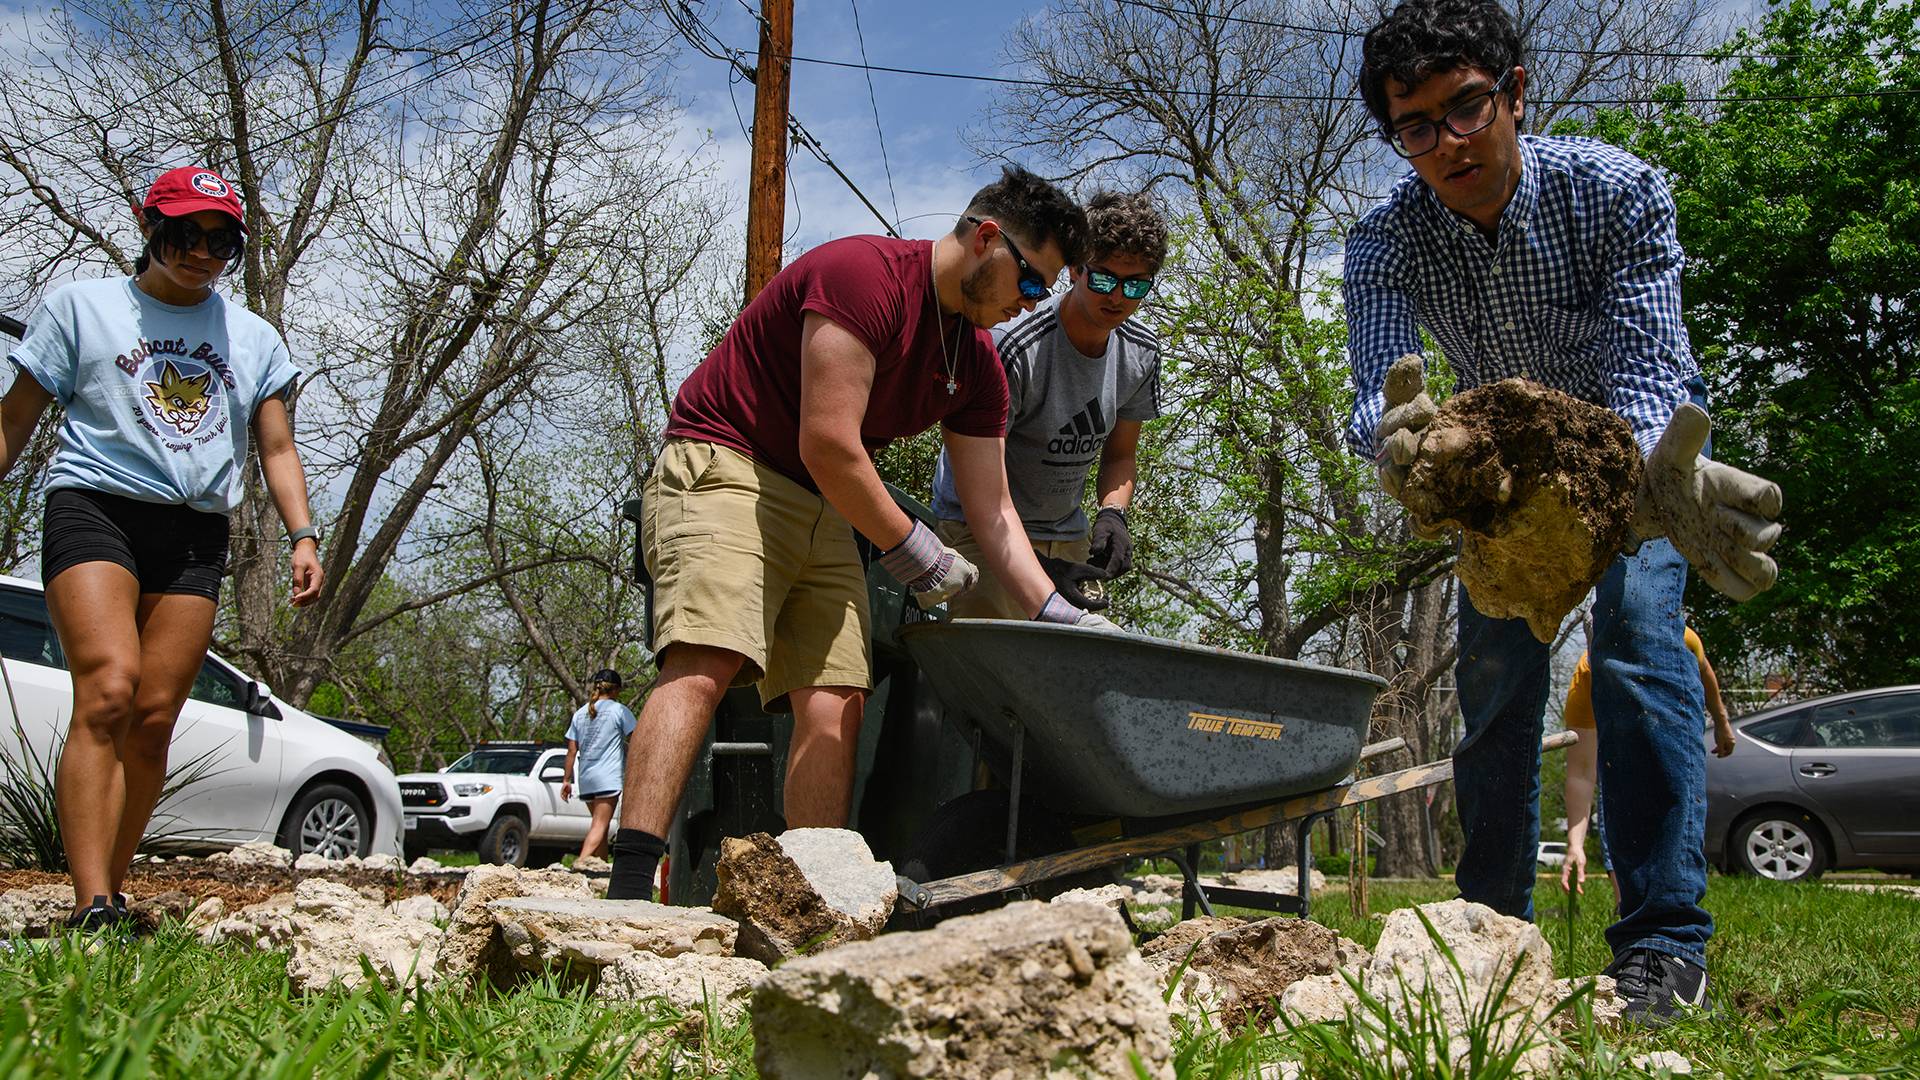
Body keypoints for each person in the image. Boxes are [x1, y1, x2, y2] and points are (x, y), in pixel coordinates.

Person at [1345, 0, 1781, 1023]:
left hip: (1631, 475)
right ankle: (1490, 934)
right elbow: (1381, 382)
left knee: (1638, 649)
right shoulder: (1384, 239)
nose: (1448, 144)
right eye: (1415, 127)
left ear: (1515, 93)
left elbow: (1648, 362)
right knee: (1494, 695)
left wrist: (1624, 488)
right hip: (1497, 491)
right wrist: (1403, 442)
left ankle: (1666, 945)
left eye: (1466, 109)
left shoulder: (1618, 191)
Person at [607, 167, 1105, 901]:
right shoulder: (863, 276)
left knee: (837, 692)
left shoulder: (977, 367)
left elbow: (995, 514)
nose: (1028, 306)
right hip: (727, 461)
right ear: (988, 240)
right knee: (705, 661)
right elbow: (830, 444)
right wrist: (917, 550)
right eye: (1031, 284)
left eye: (1045, 294)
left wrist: (1061, 616)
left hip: (825, 501)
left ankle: (808, 900)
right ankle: (625, 893)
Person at [0, 166, 324, 930]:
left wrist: (303, 536)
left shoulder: (253, 337)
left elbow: (275, 447)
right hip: (95, 510)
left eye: (222, 241)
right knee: (109, 689)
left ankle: (111, 894)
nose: (202, 252)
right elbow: (15, 420)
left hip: (194, 532)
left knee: (152, 716)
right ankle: (89, 901)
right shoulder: (82, 307)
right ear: (152, 227)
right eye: (187, 233)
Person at [928, 190, 1167, 618]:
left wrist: (1114, 514)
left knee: (1072, 665)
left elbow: (1121, 454)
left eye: (1134, 285)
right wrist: (1039, 569)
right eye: (1103, 278)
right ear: (1075, 269)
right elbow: (984, 493)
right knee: (995, 672)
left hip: (1064, 532)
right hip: (978, 528)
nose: (1117, 297)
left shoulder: (1141, 354)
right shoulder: (1016, 348)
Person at [1561, 624, 1736, 901]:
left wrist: (1722, 722)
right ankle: (1627, 904)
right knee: (1616, 795)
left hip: (1671, 725)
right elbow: (1582, 773)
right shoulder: (1586, 679)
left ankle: (1678, 900)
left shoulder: (1681, 637)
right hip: (1618, 743)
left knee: (1674, 801)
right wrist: (1575, 844)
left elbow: (1704, 672)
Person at [561, 668, 635, 861]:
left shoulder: (579, 714)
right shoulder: (619, 711)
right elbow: (637, 739)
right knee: (600, 825)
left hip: (586, 777)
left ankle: (599, 868)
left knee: (598, 825)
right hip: (607, 777)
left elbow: (571, 751)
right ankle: (581, 862)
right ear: (616, 690)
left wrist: (566, 780)